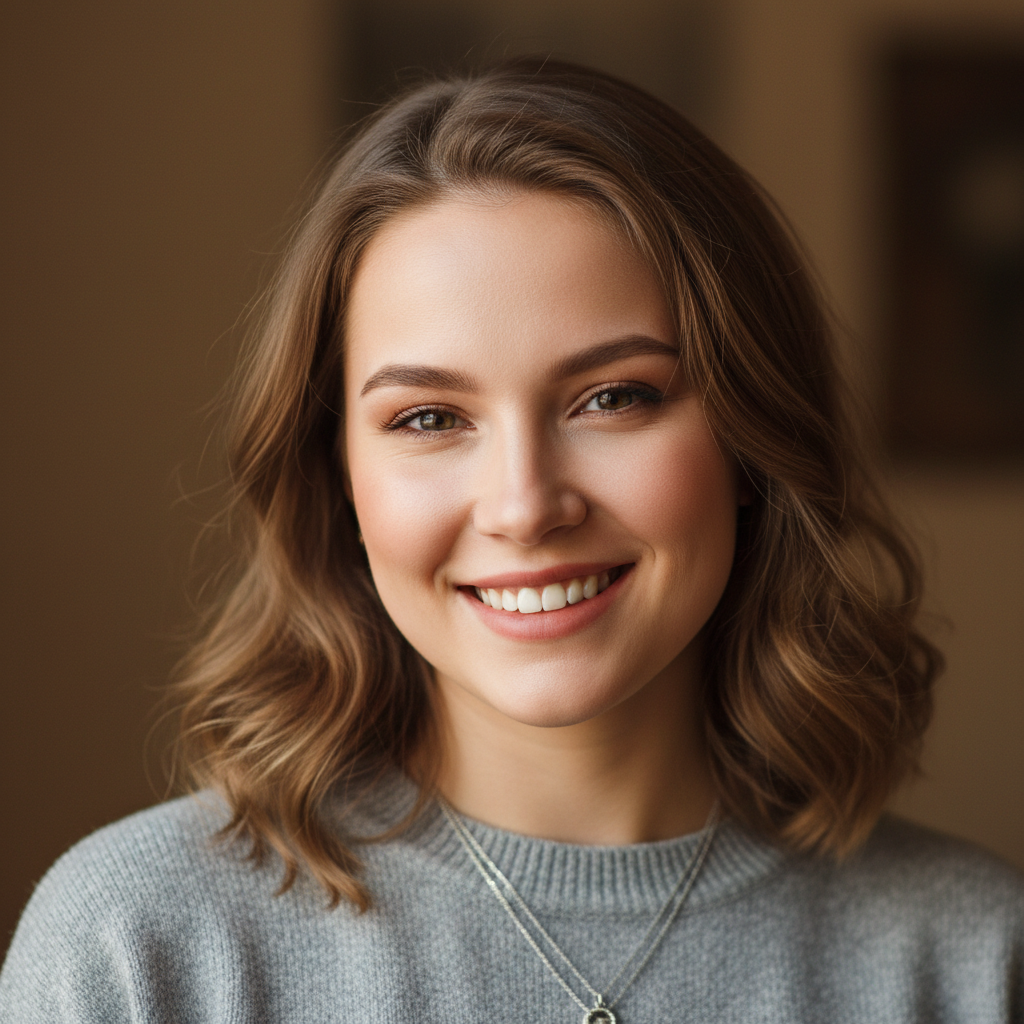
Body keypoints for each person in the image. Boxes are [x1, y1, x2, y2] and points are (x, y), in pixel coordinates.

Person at [1, 56, 1021, 1024]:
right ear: (337, 473)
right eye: (429, 418)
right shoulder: (138, 947)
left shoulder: (975, 961)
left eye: (613, 397)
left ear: (751, 439)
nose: (525, 506)